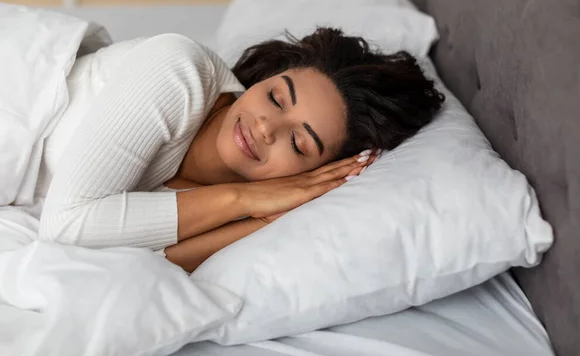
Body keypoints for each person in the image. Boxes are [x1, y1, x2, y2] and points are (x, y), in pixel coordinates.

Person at [39, 28, 444, 272]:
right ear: (264, 78)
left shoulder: (239, 207)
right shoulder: (178, 70)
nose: (266, 127)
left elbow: (141, 265)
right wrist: (244, 197)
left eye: (298, 142)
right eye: (276, 97)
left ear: (310, 173)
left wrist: (266, 220)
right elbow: (67, 229)